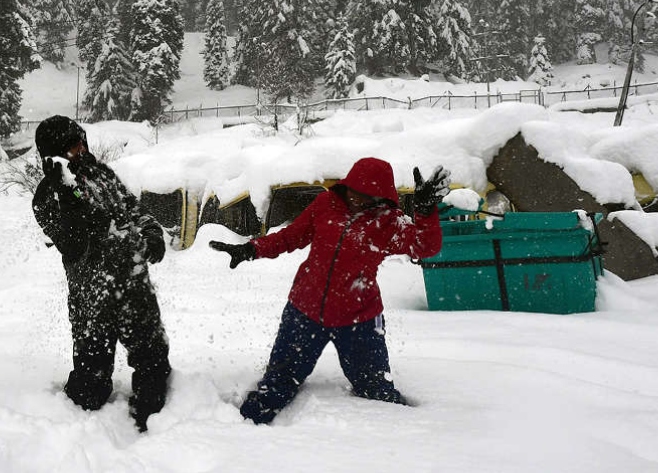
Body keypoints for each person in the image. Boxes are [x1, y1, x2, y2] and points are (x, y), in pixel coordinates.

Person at [210, 157, 449, 425]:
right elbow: (291, 236)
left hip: (360, 319)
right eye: (353, 192)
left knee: (378, 393)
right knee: (275, 388)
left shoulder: (388, 222)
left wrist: (427, 211)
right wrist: (251, 249)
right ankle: (240, 436)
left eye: (365, 196)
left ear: (381, 197)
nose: (357, 200)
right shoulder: (326, 205)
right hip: (304, 312)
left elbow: (424, 246)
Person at [31, 115, 172, 432]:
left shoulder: (101, 174)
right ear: (55, 153)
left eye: (81, 140)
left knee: (153, 362)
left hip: (133, 284)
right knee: (90, 384)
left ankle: (155, 431)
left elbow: (132, 207)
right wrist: (68, 194)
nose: (81, 148)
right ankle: (78, 440)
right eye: (72, 145)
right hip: (93, 298)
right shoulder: (46, 198)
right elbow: (75, 245)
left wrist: (151, 232)